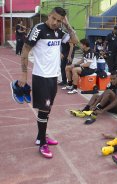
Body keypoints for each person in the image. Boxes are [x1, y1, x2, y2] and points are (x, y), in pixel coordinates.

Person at [18, 7, 78, 158]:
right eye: (54, 19)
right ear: (49, 16)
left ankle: (41, 137)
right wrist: (24, 74)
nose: (55, 22)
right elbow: (25, 50)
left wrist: (67, 25)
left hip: (53, 77)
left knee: (47, 109)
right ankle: (42, 144)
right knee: (44, 110)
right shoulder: (39, 29)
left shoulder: (59, 32)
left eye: (59, 21)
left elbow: (75, 41)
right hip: (41, 77)